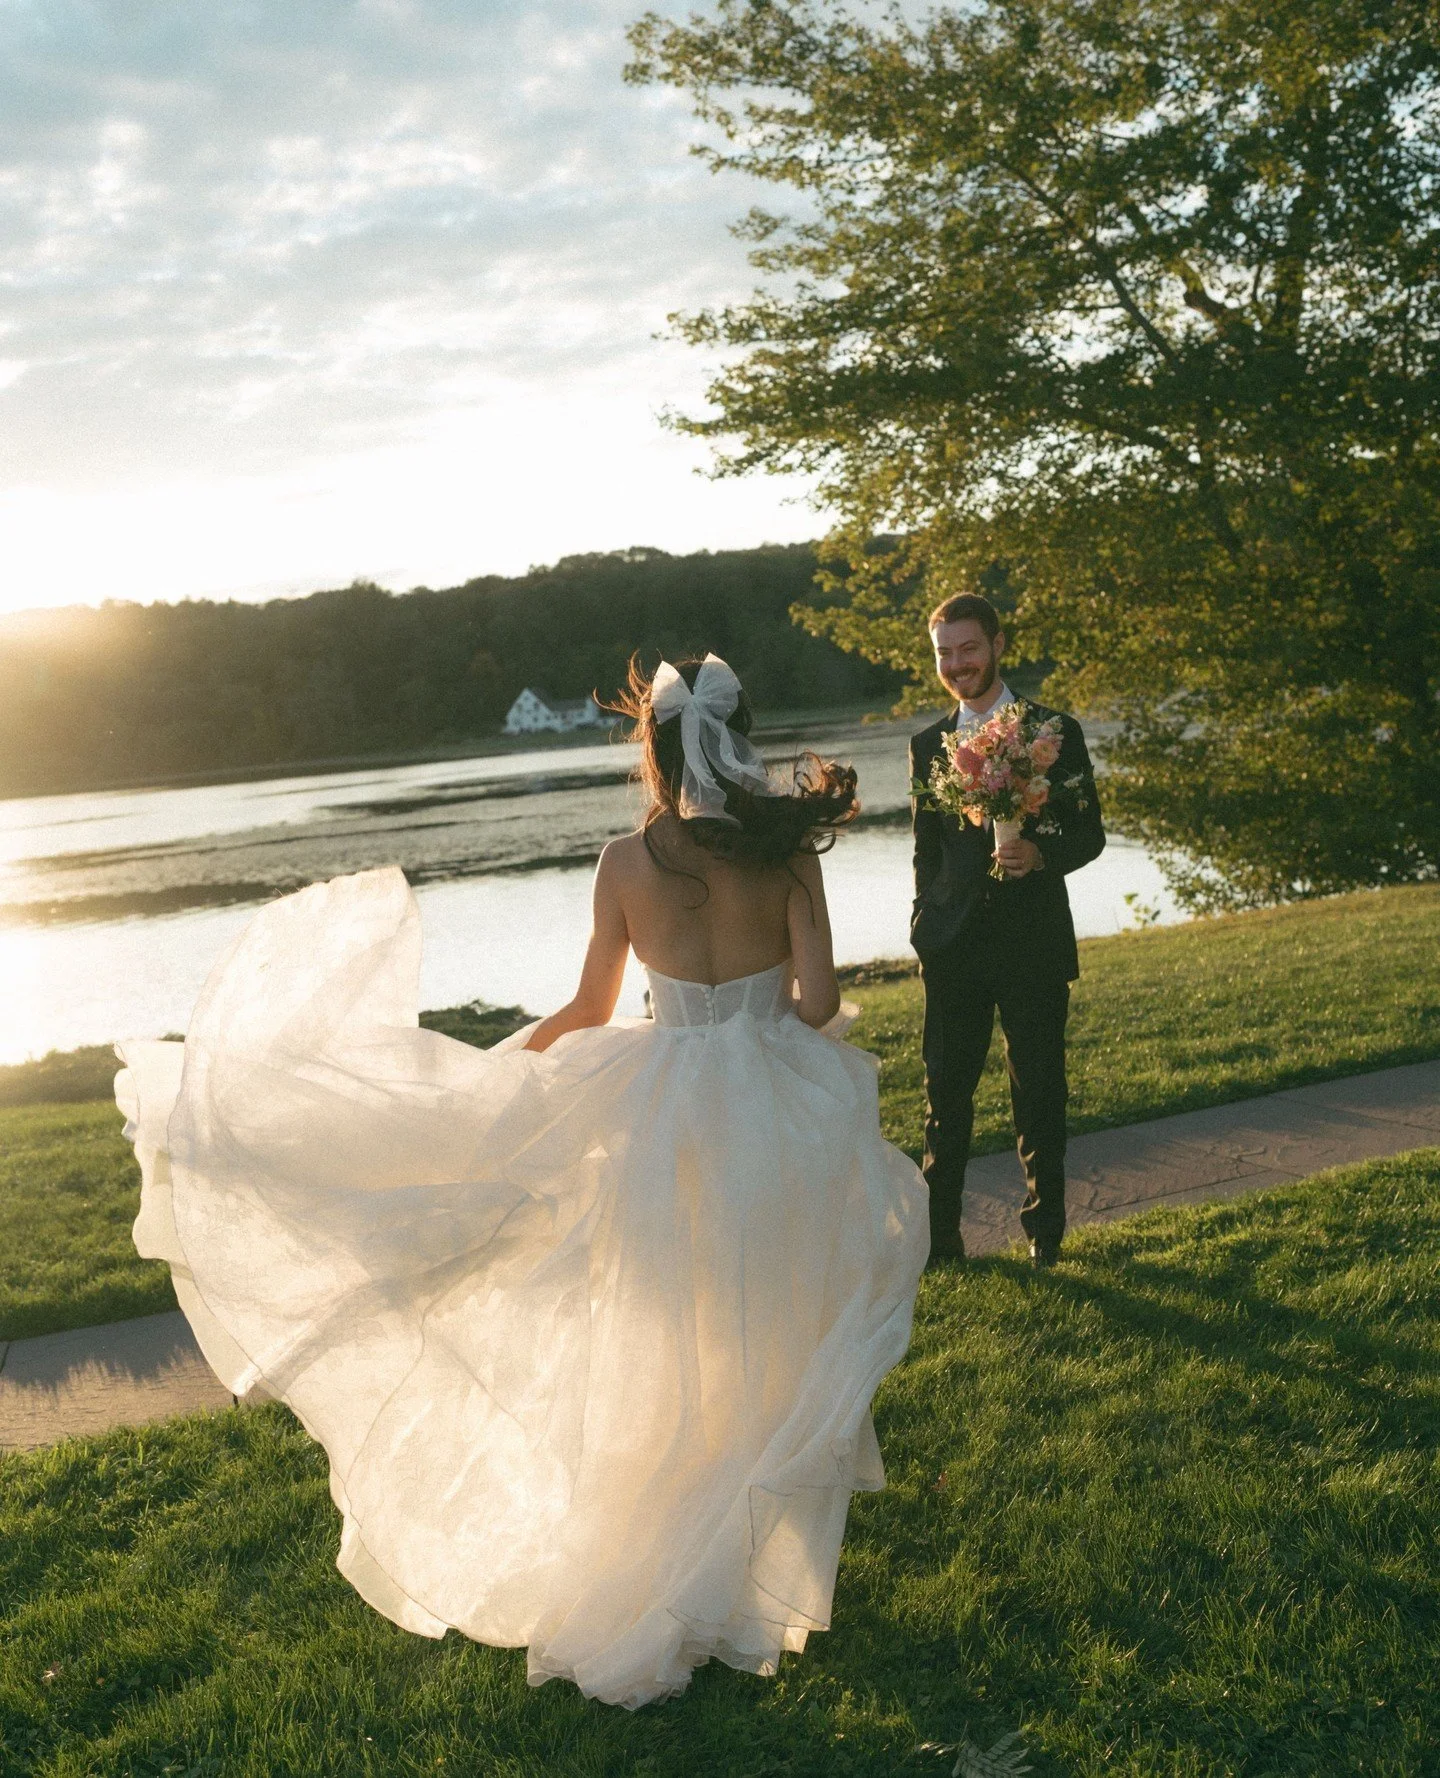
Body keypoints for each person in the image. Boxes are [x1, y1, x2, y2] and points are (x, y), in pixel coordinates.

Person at [116, 653, 928, 1710]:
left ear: (656, 753)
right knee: (754, 1336)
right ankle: (734, 1571)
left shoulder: (624, 861)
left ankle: (662, 1567)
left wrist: (507, 1067)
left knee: (655, 1334)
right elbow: (817, 1002)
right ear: (741, 744)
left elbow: (591, 1010)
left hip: (657, 1117)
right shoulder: (783, 856)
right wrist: (773, 970)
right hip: (774, 1115)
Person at [908, 594, 1105, 1269]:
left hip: (1033, 943)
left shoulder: (1054, 730)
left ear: (996, 642)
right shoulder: (927, 745)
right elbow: (926, 850)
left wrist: (1043, 855)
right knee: (945, 1095)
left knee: (1039, 1091)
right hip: (952, 948)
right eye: (945, 653)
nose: (957, 664)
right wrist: (922, 923)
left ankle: (1044, 1237)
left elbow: (1091, 832)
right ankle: (941, 1246)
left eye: (967, 648)